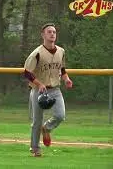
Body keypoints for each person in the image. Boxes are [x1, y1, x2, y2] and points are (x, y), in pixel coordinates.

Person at [23, 23, 73, 157]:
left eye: (54, 32)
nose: (52, 34)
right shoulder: (37, 53)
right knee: (36, 121)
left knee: (60, 115)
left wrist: (66, 79)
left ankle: (47, 128)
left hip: (55, 89)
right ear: (43, 35)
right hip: (39, 91)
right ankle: (35, 148)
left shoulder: (61, 51)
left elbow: (62, 69)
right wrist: (39, 84)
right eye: (49, 32)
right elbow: (27, 73)